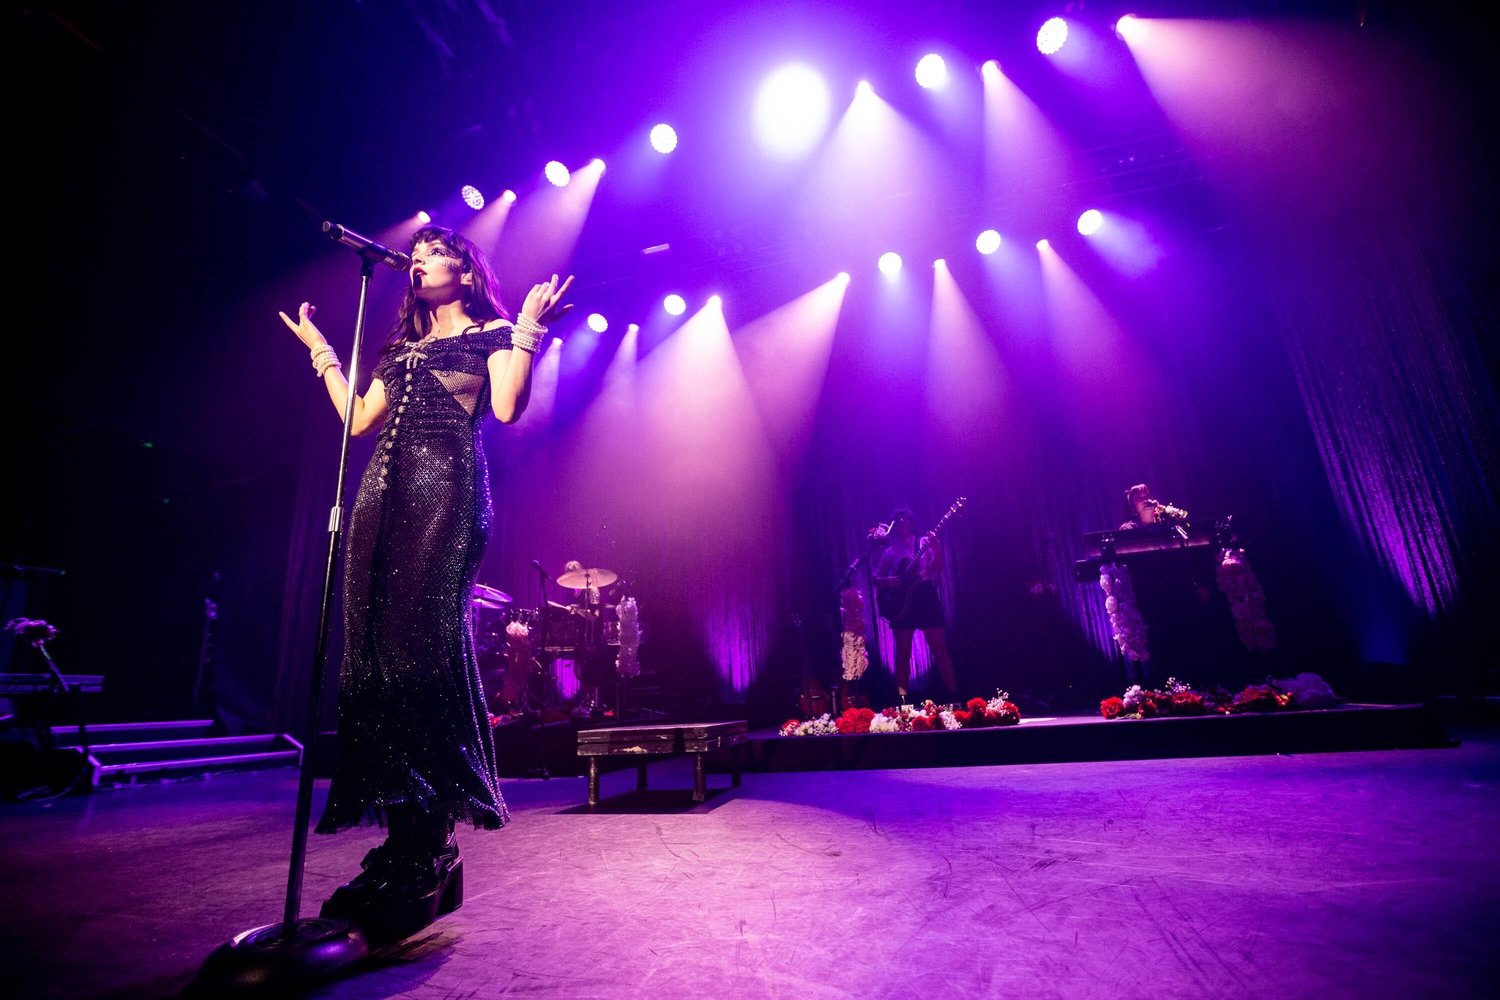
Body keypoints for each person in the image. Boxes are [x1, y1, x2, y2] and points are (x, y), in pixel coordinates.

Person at [279, 225, 572, 940]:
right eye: (414, 254)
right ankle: (402, 835)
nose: (418, 260)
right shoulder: (400, 348)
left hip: (448, 498)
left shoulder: (494, 331)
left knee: (420, 656)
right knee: (371, 664)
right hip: (383, 497)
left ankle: (434, 837)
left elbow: (505, 408)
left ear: (465, 271)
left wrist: (528, 327)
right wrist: (321, 352)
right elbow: (358, 421)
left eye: (434, 252)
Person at [872, 509, 957, 700]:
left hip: (924, 595)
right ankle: (903, 701)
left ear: (912, 523)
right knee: (903, 652)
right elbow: (876, 578)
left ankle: (954, 695)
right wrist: (888, 581)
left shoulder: (924, 543)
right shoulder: (889, 552)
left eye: (906, 519)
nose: (902, 522)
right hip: (901, 602)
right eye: (898, 520)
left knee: (939, 648)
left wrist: (936, 550)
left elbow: (938, 569)